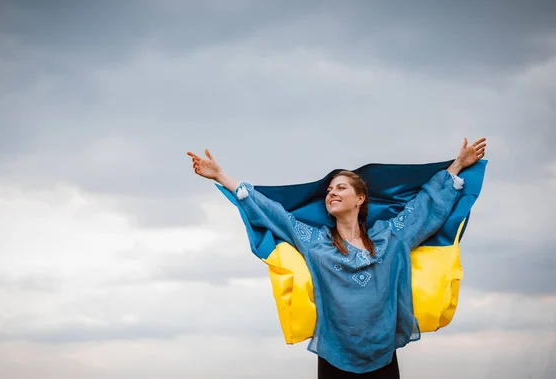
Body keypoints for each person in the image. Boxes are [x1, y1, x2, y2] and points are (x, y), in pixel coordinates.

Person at [187, 137, 486, 378]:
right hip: (334, 358)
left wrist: (458, 164)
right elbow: (274, 213)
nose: (331, 193)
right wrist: (222, 176)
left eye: (341, 187)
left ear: (360, 198)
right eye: (329, 189)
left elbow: (424, 209)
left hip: (382, 357)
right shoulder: (315, 242)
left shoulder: (391, 237)